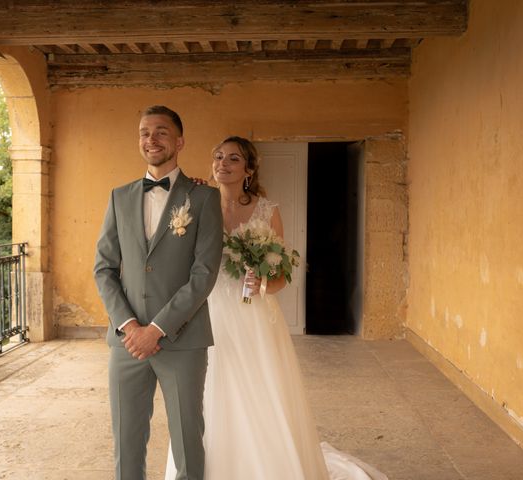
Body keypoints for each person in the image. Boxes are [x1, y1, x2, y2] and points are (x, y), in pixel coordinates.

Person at [165, 136, 387, 480]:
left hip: (253, 315)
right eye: (218, 156)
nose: (222, 163)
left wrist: (263, 284)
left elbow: (282, 276)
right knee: (208, 388)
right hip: (209, 311)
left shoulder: (267, 211)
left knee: (260, 389)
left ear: (249, 169)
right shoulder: (196, 203)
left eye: (233, 159)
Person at [94, 105, 223, 480]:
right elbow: (104, 268)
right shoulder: (119, 197)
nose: (151, 139)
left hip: (182, 340)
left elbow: (204, 274)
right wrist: (130, 326)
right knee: (126, 440)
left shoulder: (203, 199)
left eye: (161, 132)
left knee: (187, 438)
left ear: (179, 141)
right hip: (126, 342)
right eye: (144, 132)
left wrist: (158, 329)